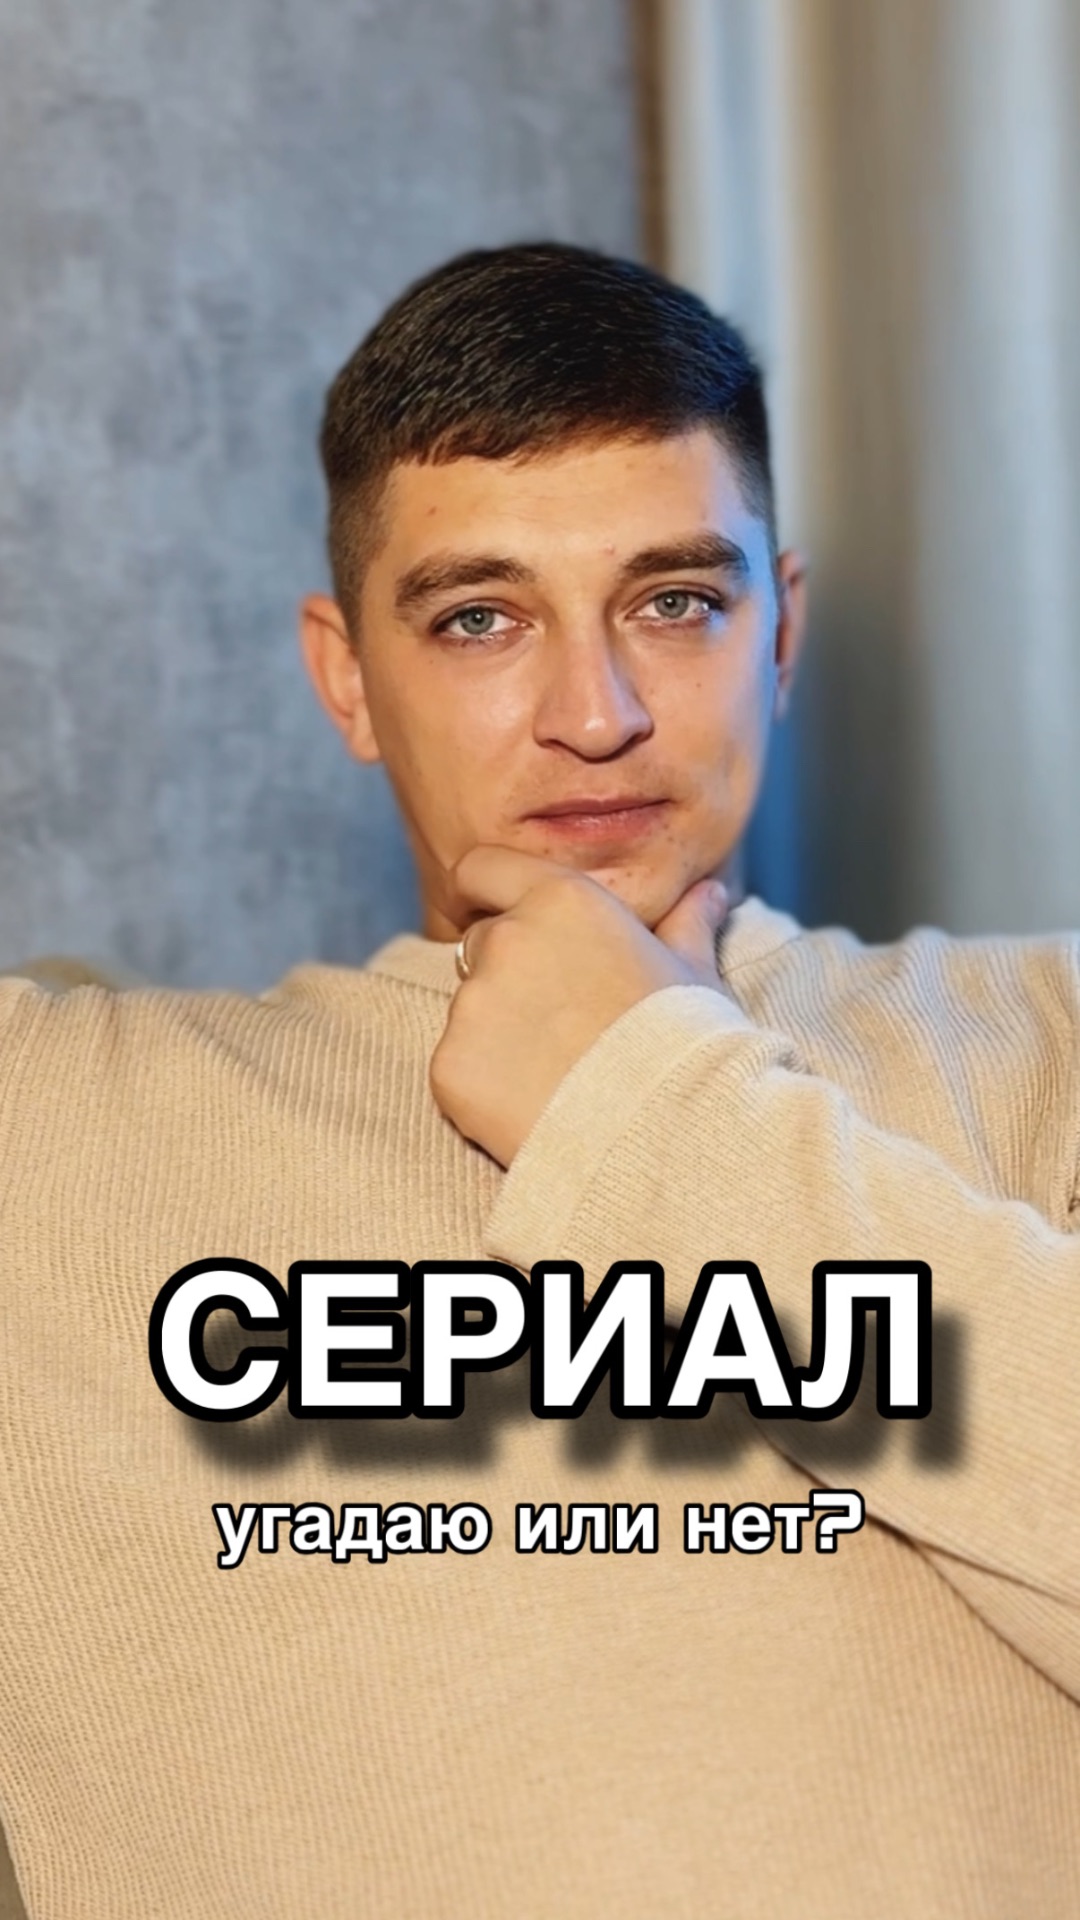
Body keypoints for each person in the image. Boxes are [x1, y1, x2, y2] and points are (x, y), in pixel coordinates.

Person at [1, 243, 1077, 1920]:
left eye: (676, 602)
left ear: (782, 629)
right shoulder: (56, 1125)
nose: (596, 711)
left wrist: (647, 1104)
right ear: (346, 676)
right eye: (479, 619)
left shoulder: (1049, 1037)